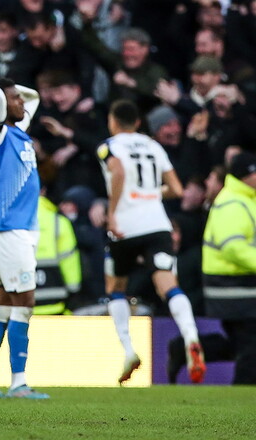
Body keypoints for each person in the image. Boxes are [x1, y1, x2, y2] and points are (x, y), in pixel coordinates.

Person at [97, 100, 205, 384]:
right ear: (138, 122)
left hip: (126, 227)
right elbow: (178, 189)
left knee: (115, 287)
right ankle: (191, 336)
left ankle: (129, 350)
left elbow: (118, 172)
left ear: (113, 121)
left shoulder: (108, 146)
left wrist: (112, 214)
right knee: (168, 284)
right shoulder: (153, 146)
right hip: (158, 225)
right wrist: (148, 194)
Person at [0, 77, 48, 399]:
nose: (21, 103)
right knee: (25, 302)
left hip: (24, 229)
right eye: (13, 99)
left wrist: (13, 89)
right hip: (9, 228)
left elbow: (34, 97)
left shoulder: (19, 132)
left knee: (3, 302)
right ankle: (19, 382)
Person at [185, 152, 256, 385]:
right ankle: (244, 392)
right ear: (245, 177)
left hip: (238, 286)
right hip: (233, 287)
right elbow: (232, 246)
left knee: (242, 343)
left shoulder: (244, 199)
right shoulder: (233, 202)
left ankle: (187, 348)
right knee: (250, 344)